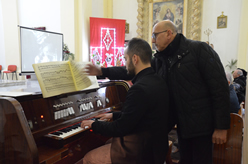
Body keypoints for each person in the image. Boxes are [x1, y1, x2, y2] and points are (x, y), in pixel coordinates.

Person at [85, 20, 230, 164]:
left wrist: (221, 126)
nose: (153, 40)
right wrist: (102, 71)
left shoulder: (198, 49)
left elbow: (220, 88)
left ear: (168, 33)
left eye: (155, 35)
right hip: (182, 125)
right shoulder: (162, 59)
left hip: (202, 126)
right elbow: (132, 69)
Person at [79, 38, 169, 164]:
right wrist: (114, 115)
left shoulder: (139, 89)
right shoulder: (158, 81)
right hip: (156, 144)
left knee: (89, 158)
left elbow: (121, 128)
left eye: (126, 59)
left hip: (143, 151)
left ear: (135, 59)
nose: (125, 64)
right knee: (108, 142)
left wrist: (94, 124)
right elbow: (141, 115)